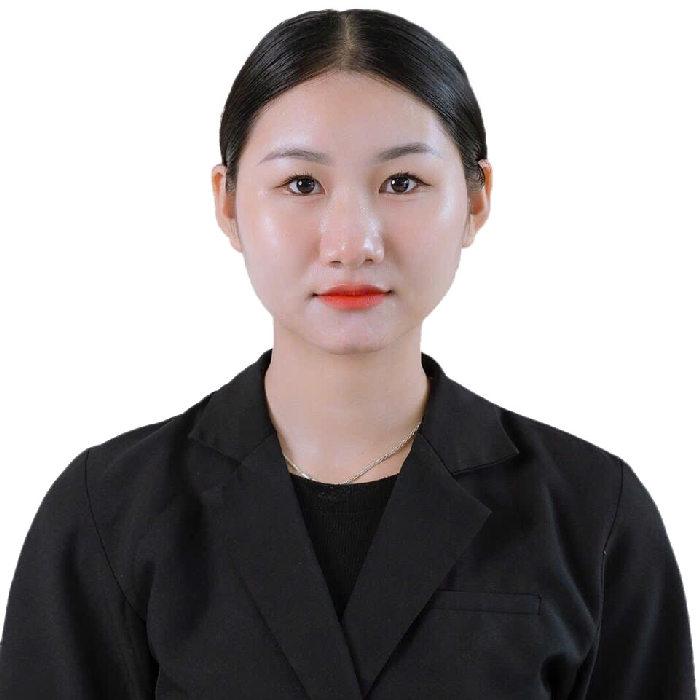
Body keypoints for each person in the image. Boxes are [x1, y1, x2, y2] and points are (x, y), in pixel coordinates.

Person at [0, 8, 696, 699]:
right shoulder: (109, 512)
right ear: (228, 203)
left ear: (477, 200)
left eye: (402, 183)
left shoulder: (592, 514)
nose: (352, 242)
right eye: (302, 185)